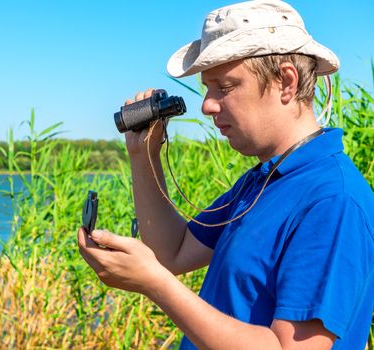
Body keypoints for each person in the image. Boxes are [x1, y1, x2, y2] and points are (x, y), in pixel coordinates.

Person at [77, 1, 374, 349]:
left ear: (286, 82)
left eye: (225, 86)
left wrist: (155, 284)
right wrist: (143, 156)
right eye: (206, 87)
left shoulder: (332, 200)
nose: (207, 105)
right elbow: (172, 252)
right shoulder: (263, 179)